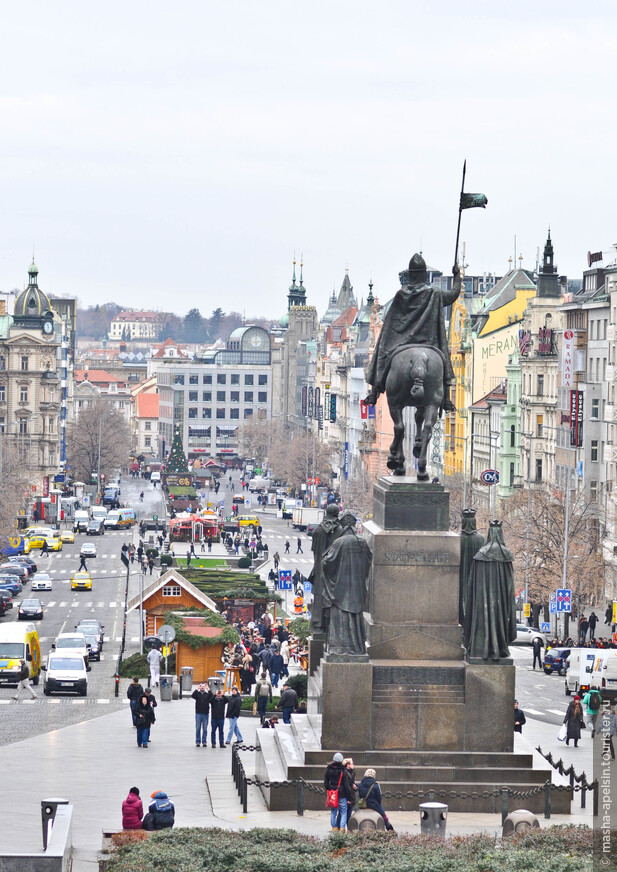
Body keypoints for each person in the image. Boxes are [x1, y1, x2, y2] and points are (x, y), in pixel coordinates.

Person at [363, 254, 461, 411]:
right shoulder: (434, 293)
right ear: (424, 274)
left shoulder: (401, 295)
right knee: (443, 360)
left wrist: (390, 337)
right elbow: (453, 295)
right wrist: (457, 276)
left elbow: (390, 323)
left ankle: (374, 391)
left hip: (402, 341)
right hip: (428, 342)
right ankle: (447, 398)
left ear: (411, 276)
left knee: (382, 349)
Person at [324, 752, 354, 832]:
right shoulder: (342, 770)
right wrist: (350, 797)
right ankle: (342, 828)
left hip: (332, 792)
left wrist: (329, 790)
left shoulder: (328, 769)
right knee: (343, 811)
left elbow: (326, 783)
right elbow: (346, 785)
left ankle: (334, 827)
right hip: (342, 793)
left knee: (333, 811)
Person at [191, 682, 210, 747]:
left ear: (205, 687)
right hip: (198, 713)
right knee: (198, 728)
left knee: (205, 728)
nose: (202, 687)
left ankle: (204, 741)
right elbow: (192, 696)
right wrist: (197, 689)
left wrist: (208, 689)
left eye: (203, 686)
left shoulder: (207, 694)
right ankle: (198, 741)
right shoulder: (197, 694)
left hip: (205, 713)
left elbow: (212, 697)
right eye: (201, 686)